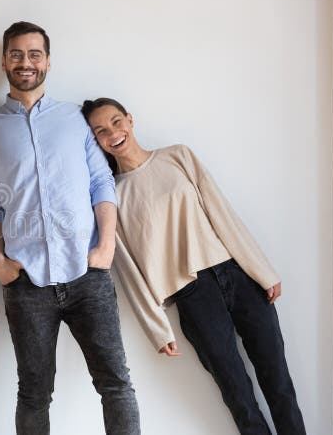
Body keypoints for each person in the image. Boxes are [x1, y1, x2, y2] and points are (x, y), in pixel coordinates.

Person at [81, 97, 306, 435]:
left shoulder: (177, 156)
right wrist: (157, 327)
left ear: (130, 119)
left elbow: (221, 212)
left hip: (236, 274)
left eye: (116, 122)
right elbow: (126, 267)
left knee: (279, 383)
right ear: (95, 141)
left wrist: (262, 270)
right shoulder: (111, 193)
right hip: (192, 295)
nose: (112, 133)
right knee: (238, 396)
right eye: (100, 131)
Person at [0, 22, 140, 435]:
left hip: (88, 274)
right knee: (33, 392)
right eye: (16, 54)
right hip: (26, 281)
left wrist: (106, 247)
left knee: (115, 383)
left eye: (34, 54)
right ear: (4, 61)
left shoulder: (75, 120)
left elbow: (102, 181)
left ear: (47, 61)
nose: (25, 62)